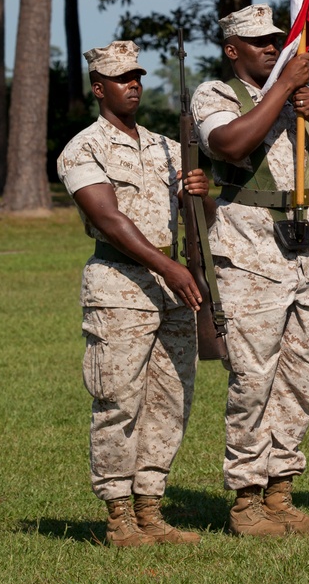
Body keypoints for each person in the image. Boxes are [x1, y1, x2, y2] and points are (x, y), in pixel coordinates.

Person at [190, 4, 309, 539]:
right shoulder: (215, 95)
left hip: (305, 247)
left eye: (276, 39)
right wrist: (282, 88)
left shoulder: (303, 97)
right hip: (249, 249)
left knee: (300, 376)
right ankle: (245, 500)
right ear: (232, 49)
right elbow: (229, 145)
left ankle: (281, 491)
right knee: (253, 378)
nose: (271, 45)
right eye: (258, 40)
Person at [57, 39, 213, 548]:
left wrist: (200, 194)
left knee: (170, 399)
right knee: (119, 400)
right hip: (120, 285)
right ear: (98, 87)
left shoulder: (169, 148)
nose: (133, 85)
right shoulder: (83, 148)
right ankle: (119, 516)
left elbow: (199, 221)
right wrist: (168, 266)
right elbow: (108, 217)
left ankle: (150, 508)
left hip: (173, 288)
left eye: (138, 76)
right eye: (121, 78)